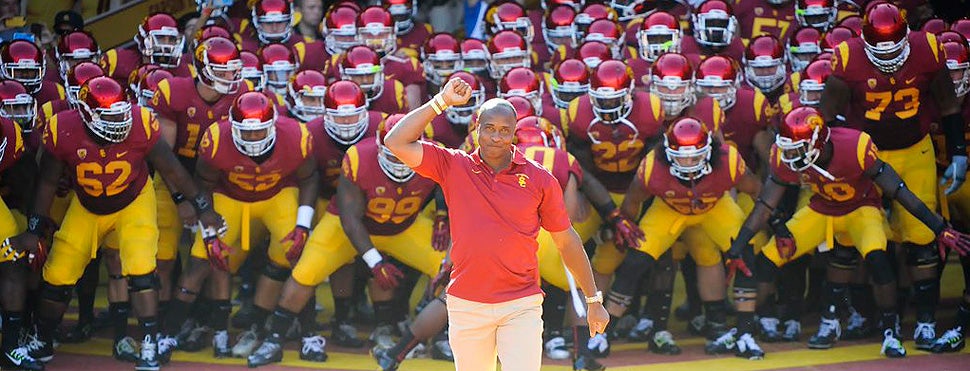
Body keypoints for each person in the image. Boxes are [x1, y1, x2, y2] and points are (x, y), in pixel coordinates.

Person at [384, 76, 609, 371]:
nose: (496, 137)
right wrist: (442, 101)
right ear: (477, 130)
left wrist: (594, 300)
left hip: (521, 304)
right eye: (488, 128)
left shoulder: (540, 178)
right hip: (467, 303)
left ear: (515, 133)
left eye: (504, 130)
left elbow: (567, 241)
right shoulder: (454, 165)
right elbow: (395, 141)